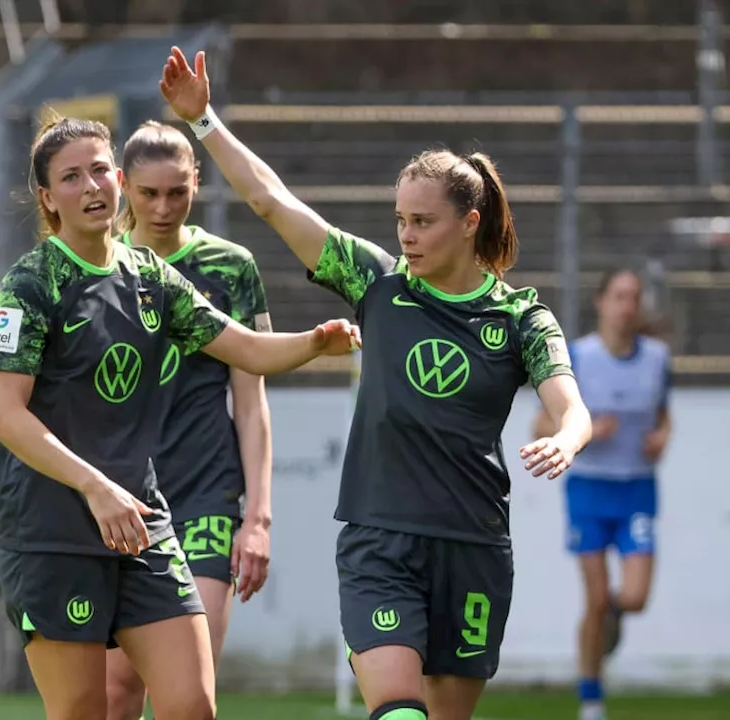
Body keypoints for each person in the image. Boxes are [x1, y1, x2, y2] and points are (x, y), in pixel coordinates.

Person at [159, 48, 593, 720]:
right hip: (378, 539)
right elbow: (272, 203)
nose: (407, 235)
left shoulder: (520, 317)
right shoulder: (377, 283)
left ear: (469, 223)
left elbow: (572, 406)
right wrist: (203, 121)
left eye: (423, 222)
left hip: (473, 545)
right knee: (396, 707)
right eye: (400, 221)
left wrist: (567, 439)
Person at [0, 116, 359, 720]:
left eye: (99, 168)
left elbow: (246, 349)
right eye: (71, 177)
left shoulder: (152, 277)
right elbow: (3, 416)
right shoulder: (30, 285)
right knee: (87, 709)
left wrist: (315, 340)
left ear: (117, 177)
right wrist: (95, 486)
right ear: (49, 199)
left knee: (190, 705)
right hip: (57, 530)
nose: (91, 186)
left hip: (143, 522)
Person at [104, 121, 275, 720]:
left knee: (187, 696)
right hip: (121, 498)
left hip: (205, 494)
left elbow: (251, 406)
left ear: (197, 183)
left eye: (177, 191)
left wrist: (257, 517)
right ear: (123, 186)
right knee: (116, 692)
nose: (162, 206)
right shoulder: (100, 265)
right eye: (148, 193)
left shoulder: (230, 267)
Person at [532, 268, 672, 720]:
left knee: (634, 597)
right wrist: (582, 430)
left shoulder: (656, 358)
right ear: (601, 302)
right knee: (592, 598)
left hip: (636, 487)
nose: (627, 306)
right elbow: (539, 423)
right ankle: (591, 698)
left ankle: (608, 618)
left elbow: (664, 416)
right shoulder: (579, 357)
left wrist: (662, 438)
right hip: (589, 488)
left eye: (634, 297)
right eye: (619, 296)